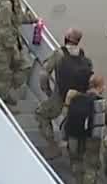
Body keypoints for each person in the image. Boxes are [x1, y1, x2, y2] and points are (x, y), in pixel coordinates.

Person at [35, 29, 94, 160]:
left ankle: (52, 146)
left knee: (41, 115)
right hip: (78, 98)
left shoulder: (59, 54)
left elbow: (44, 74)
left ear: (67, 37)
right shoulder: (84, 56)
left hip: (60, 96)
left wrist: (47, 90)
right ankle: (74, 152)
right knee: (75, 125)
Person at [63, 74, 107, 184]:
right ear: (100, 87)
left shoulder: (75, 98)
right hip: (92, 139)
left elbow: (66, 114)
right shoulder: (102, 103)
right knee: (91, 168)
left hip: (74, 134)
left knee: (76, 159)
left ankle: (78, 182)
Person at [0, 0, 38, 107]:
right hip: (2, 44)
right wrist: (14, 49)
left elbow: (19, 19)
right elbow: (4, 29)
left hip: (12, 41)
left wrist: (33, 19)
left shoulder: (15, 3)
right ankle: (1, 103)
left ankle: (7, 91)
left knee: (25, 66)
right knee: (3, 75)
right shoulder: (6, 5)